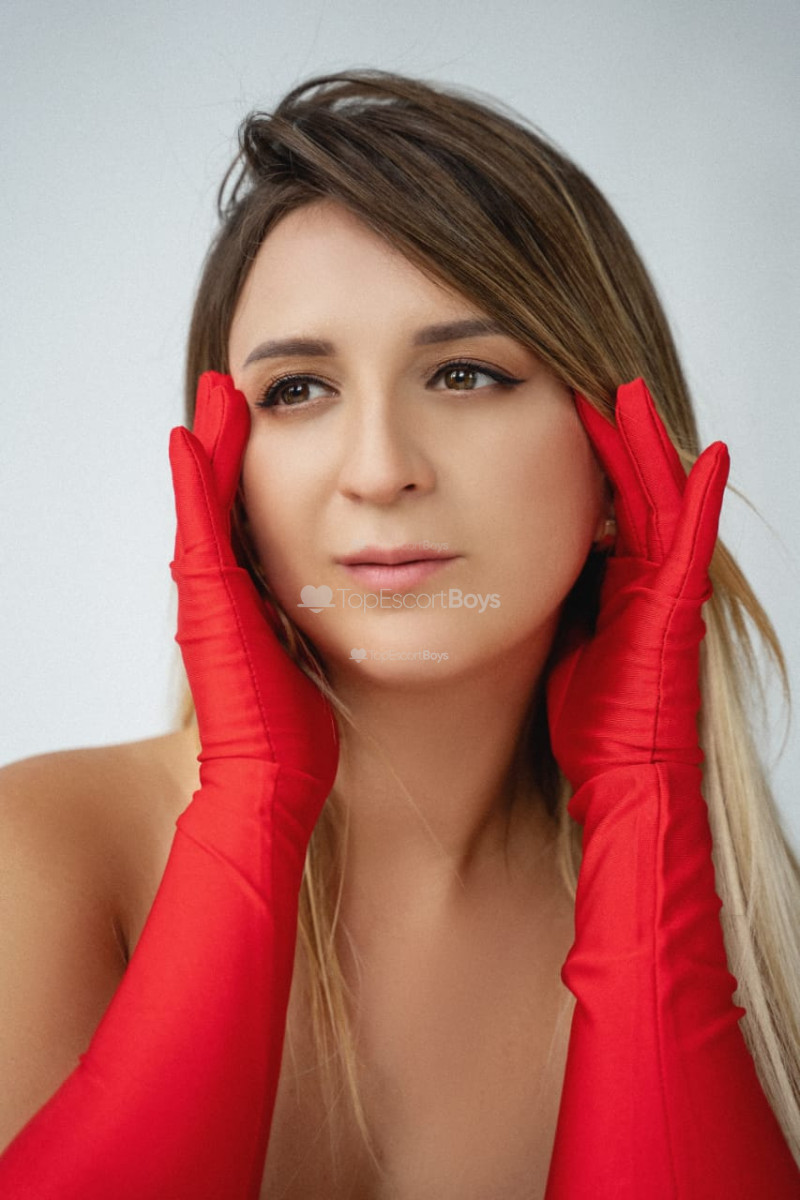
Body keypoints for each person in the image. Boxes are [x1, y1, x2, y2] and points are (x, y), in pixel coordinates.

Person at [0, 67, 798, 1199]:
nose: (379, 470)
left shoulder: (760, 941)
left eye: (463, 374)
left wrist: (646, 795)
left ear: (620, 467)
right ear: (224, 483)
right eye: (296, 390)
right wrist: (251, 798)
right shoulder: (40, 859)